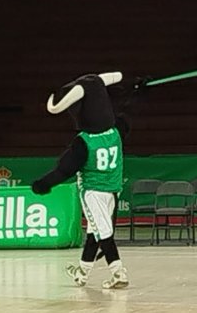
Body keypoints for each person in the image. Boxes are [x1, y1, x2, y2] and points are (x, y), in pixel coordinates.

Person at [32, 71, 129, 290]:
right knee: (94, 232)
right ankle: (82, 273)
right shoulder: (115, 132)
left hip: (93, 191)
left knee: (103, 232)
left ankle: (118, 272)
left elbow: (64, 170)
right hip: (114, 189)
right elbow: (126, 117)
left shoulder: (83, 142)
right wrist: (138, 91)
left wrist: (43, 184)